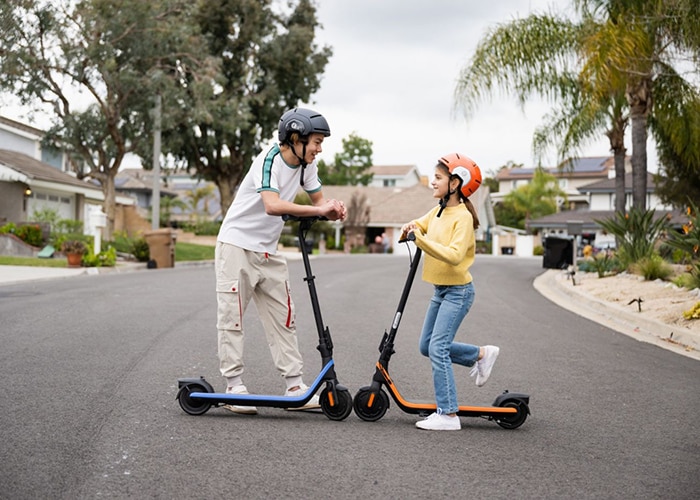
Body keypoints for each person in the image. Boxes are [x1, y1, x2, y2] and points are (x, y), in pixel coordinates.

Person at [215, 107, 347, 415]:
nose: (319, 148)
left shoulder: (306, 166)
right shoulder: (269, 160)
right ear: (295, 138)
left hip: (268, 250)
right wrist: (318, 211)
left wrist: (334, 209)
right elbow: (272, 205)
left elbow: (319, 202)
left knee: (284, 317)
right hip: (236, 245)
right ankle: (234, 385)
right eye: (316, 141)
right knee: (232, 317)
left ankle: (295, 386)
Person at [401, 153, 499, 431]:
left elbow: (455, 256)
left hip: (459, 292)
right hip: (441, 290)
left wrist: (420, 240)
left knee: (438, 348)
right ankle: (481, 355)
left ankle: (448, 415)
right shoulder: (439, 210)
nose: (433, 182)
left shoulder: (463, 217)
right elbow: (421, 224)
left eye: (439, 178)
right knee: (426, 346)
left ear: (455, 183)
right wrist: (411, 227)